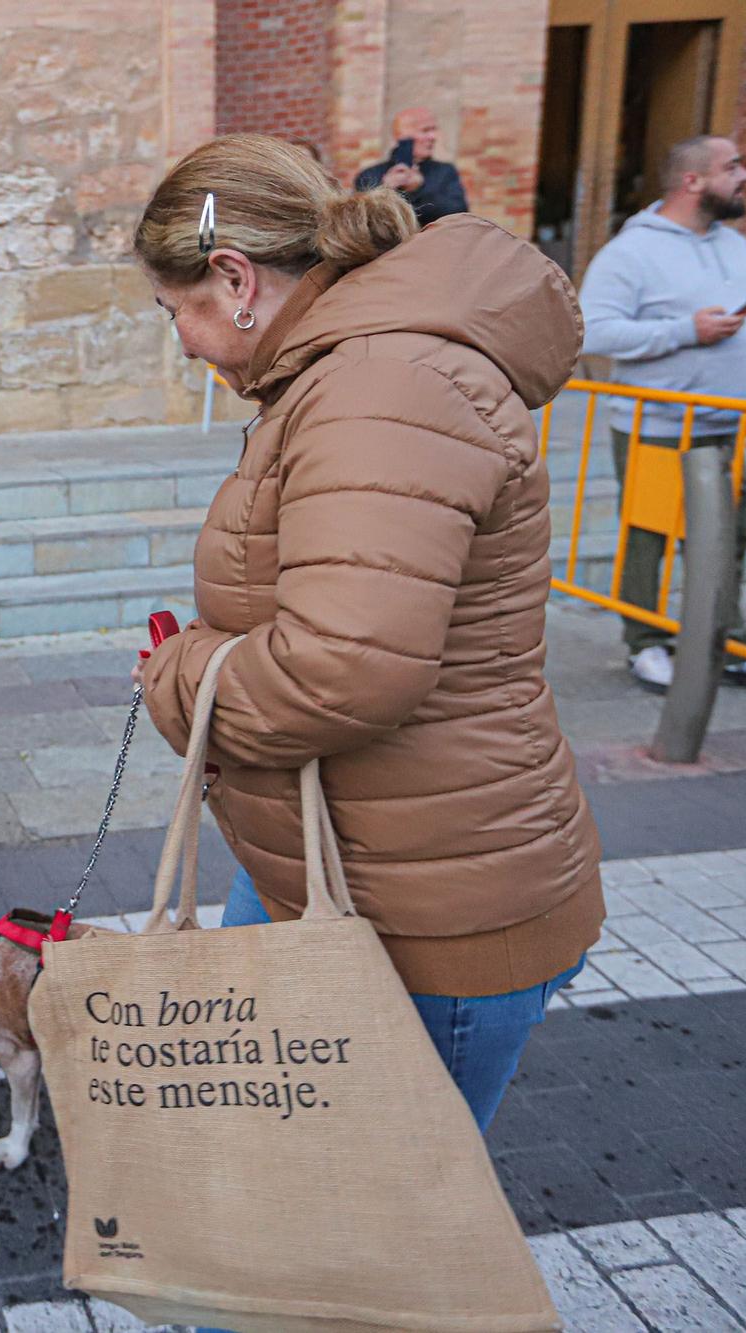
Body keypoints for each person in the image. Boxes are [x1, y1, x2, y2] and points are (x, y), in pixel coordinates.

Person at [134, 135, 604, 1135]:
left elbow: (340, 670)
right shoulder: (345, 371)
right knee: (277, 1218)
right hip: (350, 872)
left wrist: (180, 676)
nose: (179, 341)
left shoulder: (378, 386)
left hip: (423, 912)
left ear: (232, 277)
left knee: (333, 1246)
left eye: (172, 312)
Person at [579, 135, 746, 695]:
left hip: (727, 425)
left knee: (729, 537)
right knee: (649, 538)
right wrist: (684, 330)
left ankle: (730, 642)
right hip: (660, 426)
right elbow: (593, 329)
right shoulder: (631, 252)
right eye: (733, 166)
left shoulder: (735, 245)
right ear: (693, 182)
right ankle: (646, 644)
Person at [353, 107, 468, 226]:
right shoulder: (370, 175)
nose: (433, 137)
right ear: (402, 136)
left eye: (434, 130)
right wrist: (384, 190)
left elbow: (458, 214)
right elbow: (361, 220)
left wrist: (418, 189)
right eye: (425, 130)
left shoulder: (445, 172)